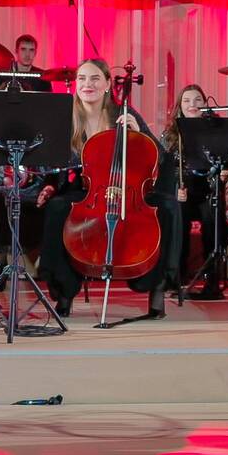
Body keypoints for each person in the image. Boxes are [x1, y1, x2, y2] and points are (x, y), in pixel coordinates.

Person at [36, 58, 180, 321]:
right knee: (57, 208)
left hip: (127, 189)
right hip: (88, 190)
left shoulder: (123, 113)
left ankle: (157, 289)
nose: (87, 84)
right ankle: (65, 293)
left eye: (94, 79)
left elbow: (159, 157)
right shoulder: (66, 118)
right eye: (82, 79)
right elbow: (52, 163)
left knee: (169, 208)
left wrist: (139, 135)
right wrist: (49, 185)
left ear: (106, 84)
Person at [162, 84, 228, 300]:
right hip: (184, 191)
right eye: (187, 101)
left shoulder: (216, 130)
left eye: (197, 100)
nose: (192, 105)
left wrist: (227, 170)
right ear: (179, 106)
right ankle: (176, 277)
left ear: (205, 104)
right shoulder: (171, 134)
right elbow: (165, 169)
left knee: (213, 222)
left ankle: (212, 282)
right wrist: (175, 189)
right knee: (177, 217)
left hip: (209, 191)